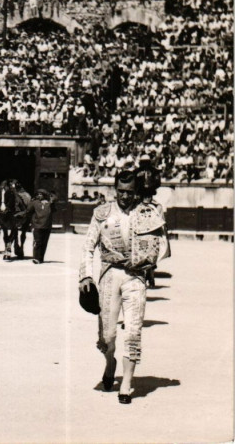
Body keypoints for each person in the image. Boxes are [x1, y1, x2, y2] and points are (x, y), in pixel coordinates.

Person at [78, 170, 169, 404]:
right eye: (121, 191)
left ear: (135, 191)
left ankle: (126, 384)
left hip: (136, 277)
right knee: (107, 335)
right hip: (109, 274)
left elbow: (162, 246)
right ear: (115, 190)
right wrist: (85, 276)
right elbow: (88, 247)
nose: (125, 196)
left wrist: (147, 261)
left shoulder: (147, 213)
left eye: (129, 192)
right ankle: (110, 362)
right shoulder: (102, 213)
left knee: (133, 331)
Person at [26, 189, 54, 264]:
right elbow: (28, 211)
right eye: (38, 194)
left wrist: (51, 199)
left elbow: (54, 206)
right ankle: (36, 258)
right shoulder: (34, 202)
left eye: (41, 194)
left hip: (47, 225)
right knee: (37, 241)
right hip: (37, 225)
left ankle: (40, 258)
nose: (39, 196)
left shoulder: (49, 203)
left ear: (44, 195)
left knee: (44, 242)